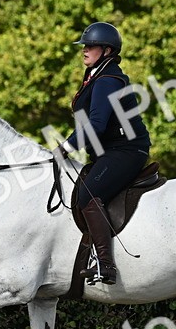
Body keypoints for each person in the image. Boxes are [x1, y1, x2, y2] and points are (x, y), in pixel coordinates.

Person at [58, 21, 151, 284]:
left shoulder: (108, 79)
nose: (84, 50)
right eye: (84, 46)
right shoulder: (97, 76)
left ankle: (105, 265)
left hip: (126, 151)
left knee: (88, 194)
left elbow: (96, 124)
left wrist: (66, 147)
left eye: (90, 46)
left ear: (107, 50)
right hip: (107, 151)